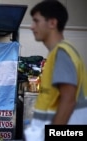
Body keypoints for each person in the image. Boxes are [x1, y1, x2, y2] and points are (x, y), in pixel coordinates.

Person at [24, 0, 87, 141]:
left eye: (36, 21)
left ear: (52, 23)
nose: (31, 27)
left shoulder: (61, 53)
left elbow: (68, 99)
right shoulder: (61, 52)